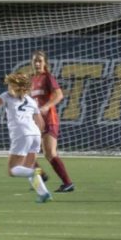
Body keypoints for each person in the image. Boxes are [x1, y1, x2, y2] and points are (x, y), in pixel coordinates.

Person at [0, 72, 52, 203]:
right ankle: (44, 194)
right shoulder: (31, 101)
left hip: (22, 134)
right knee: (27, 167)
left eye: (10, 84)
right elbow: (41, 123)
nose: (8, 87)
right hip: (35, 135)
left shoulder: (7, 96)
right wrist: (36, 137)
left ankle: (35, 172)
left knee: (12, 170)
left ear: (15, 87)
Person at [29, 50, 74, 192]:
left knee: (50, 154)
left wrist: (47, 106)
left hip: (49, 120)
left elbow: (59, 95)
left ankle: (68, 183)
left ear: (45, 63)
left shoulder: (47, 77)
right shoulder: (31, 79)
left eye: (40, 61)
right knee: (26, 152)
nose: (37, 63)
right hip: (36, 121)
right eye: (35, 60)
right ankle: (41, 176)